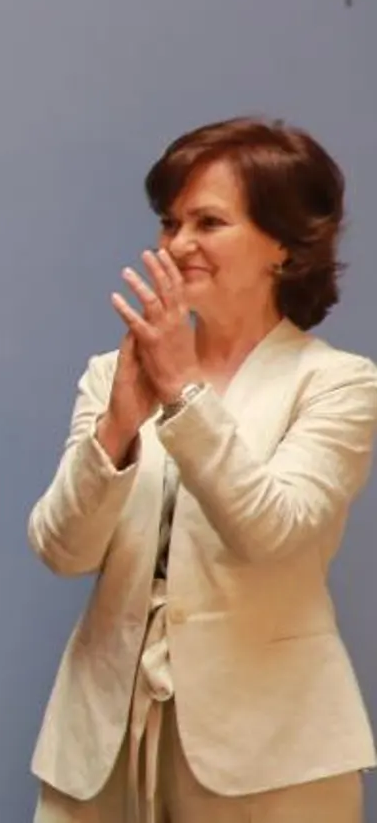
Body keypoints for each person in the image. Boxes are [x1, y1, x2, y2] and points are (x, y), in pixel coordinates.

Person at [27, 117, 377, 822]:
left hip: (271, 757)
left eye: (208, 221)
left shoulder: (338, 383)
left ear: (283, 245)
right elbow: (62, 550)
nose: (178, 243)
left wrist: (184, 394)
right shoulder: (112, 374)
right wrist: (119, 426)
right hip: (100, 750)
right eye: (170, 221)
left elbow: (273, 532)